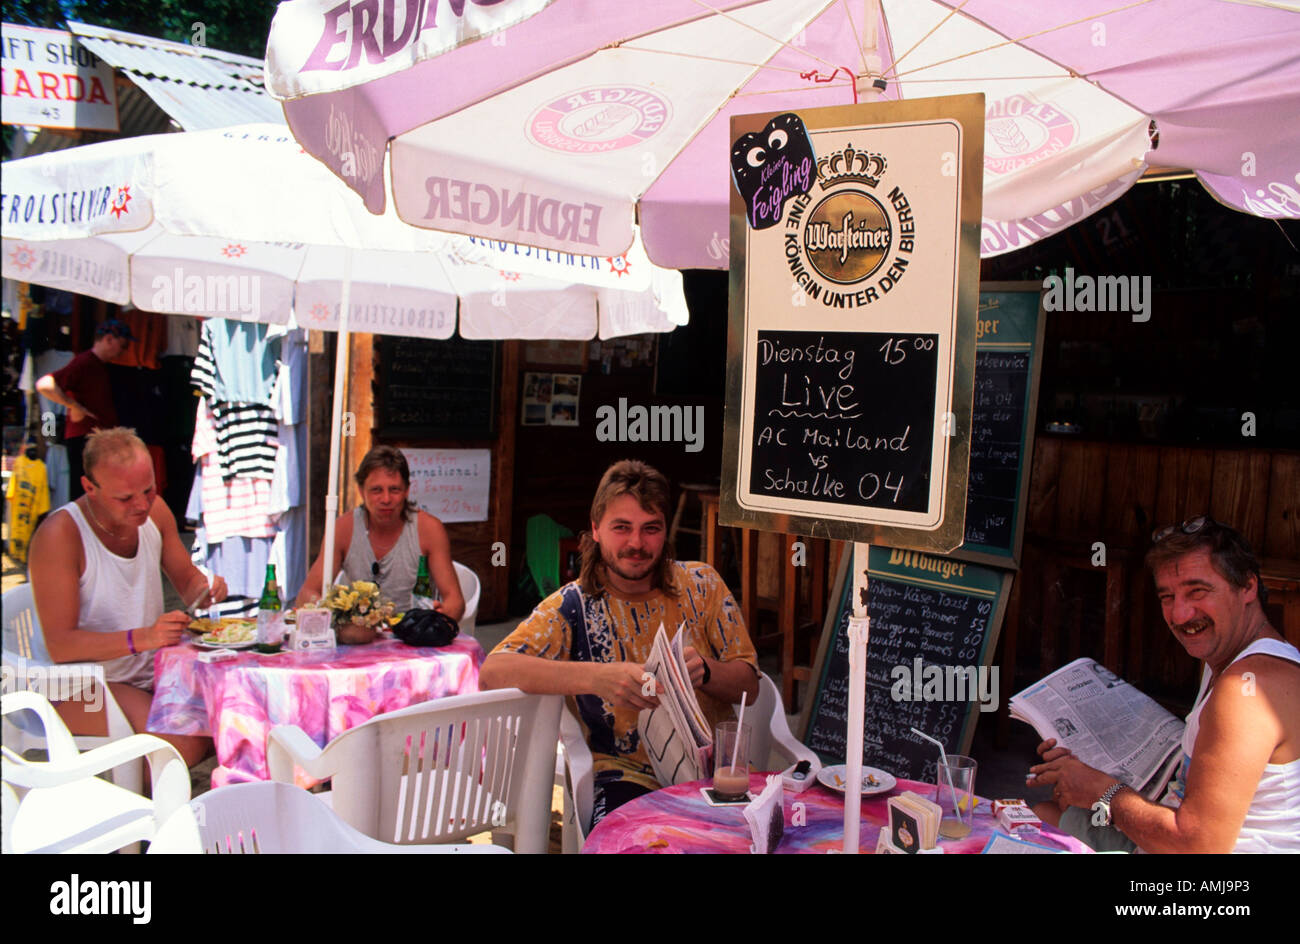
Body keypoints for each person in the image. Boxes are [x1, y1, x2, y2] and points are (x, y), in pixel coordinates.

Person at [480, 459, 760, 823]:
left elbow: (750, 687)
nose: (636, 543)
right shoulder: (573, 606)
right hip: (624, 778)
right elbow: (493, 672)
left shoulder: (702, 584)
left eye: (651, 529)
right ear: (596, 529)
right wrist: (597, 678)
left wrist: (706, 671)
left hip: (715, 778)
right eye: (622, 527)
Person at [1029, 516, 1300, 853]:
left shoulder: (1246, 690)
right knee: (1044, 813)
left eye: (1197, 591)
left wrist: (1103, 789)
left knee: (1024, 834)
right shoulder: (1241, 659)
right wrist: (1087, 771)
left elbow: (1197, 848)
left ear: (1247, 587)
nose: (1181, 615)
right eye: (1167, 597)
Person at [27, 427, 228, 767]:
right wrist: (145, 637)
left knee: (229, 718)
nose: (141, 504)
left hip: (148, 672)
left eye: (149, 490)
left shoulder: (156, 512)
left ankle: (133, 790)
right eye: (125, 498)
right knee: (179, 749)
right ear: (89, 488)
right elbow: (61, 646)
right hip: (79, 684)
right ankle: (125, 802)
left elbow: (189, 584)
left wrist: (206, 590)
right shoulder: (60, 534)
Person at [295, 445, 465, 617]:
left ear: (407, 490)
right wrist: (334, 614)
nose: (386, 499)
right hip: (358, 631)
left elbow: (455, 601)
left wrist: (441, 615)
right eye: (376, 490)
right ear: (361, 491)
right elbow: (307, 593)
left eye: (394, 490)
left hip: (412, 631)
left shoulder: (429, 529)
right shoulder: (343, 529)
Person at [35, 318, 134, 500]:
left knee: (96, 493)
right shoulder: (84, 362)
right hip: (85, 438)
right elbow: (44, 384)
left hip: (96, 439)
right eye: (123, 344)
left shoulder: (99, 366)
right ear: (109, 339)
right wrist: (74, 406)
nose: (124, 350)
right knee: (85, 493)